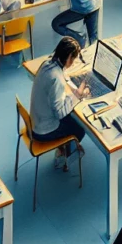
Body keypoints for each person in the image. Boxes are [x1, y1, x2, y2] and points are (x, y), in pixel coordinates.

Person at [29, 37, 88, 170]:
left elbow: (60, 78)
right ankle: (64, 155)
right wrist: (77, 95)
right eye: (73, 59)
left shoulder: (47, 63)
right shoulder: (56, 80)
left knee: (72, 117)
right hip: (43, 131)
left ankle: (65, 149)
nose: (73, 63)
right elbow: (60, 113)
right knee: (80, 128)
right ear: (68, 58)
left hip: (35, 121)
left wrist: (70, 89)